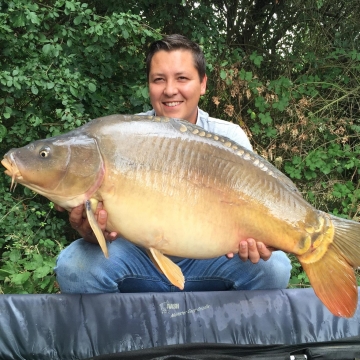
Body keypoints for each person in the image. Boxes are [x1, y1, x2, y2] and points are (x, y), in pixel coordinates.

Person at [54, 34, 291, 293]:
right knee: (73, 269)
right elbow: (103, 231)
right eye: (159, 79)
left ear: (202, 84)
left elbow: (256, 213)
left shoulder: (228, 138)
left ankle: (220, 328)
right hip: (138, 257)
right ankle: (128, 331)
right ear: (149, 86)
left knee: (275, 269)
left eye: (182, 78)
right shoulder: (123, 136)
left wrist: (258, 240)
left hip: (212, 260)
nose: (169, 90)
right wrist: (90, 230)